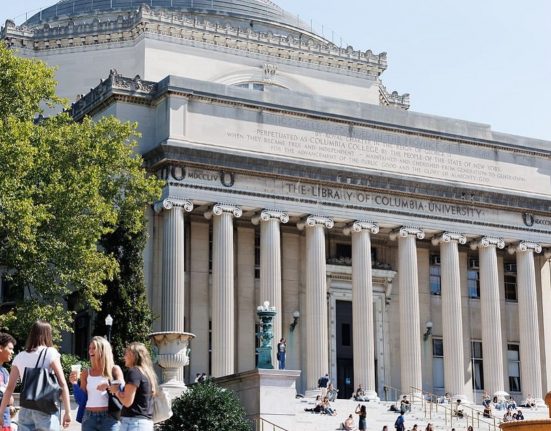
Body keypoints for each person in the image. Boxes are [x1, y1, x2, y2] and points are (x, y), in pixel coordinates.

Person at [0, 320, 72, 430]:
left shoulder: (20, 356)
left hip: (26, 409)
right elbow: (62, 383)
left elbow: (9, 388)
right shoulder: (50, 352)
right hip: (45, 408)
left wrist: (0, 412)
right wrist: (67, 411)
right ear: (47, 334)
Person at [69, 336, 124, 431]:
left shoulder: (114, 370)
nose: (90, 351)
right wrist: (74, 384)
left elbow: (123, 390)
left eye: (94, 348)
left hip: (109, 417)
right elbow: (80, 400)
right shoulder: (86, 373)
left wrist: (109, 386)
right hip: (89, 418)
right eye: (90, 348)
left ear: (103, 351)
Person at [110, 342, 158, 431]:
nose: (124, 357)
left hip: (133, 423)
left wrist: (116, 391)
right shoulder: (148, 374)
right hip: (145, 422)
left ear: (133, 355)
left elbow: (127, 402)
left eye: (126, 354)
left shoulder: (134, 372)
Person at [0, 333, 16, 431]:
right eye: (10, 349)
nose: (12, 352)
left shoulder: (5, 371)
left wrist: (10, 404)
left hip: (5, 421)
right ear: (1, 348)